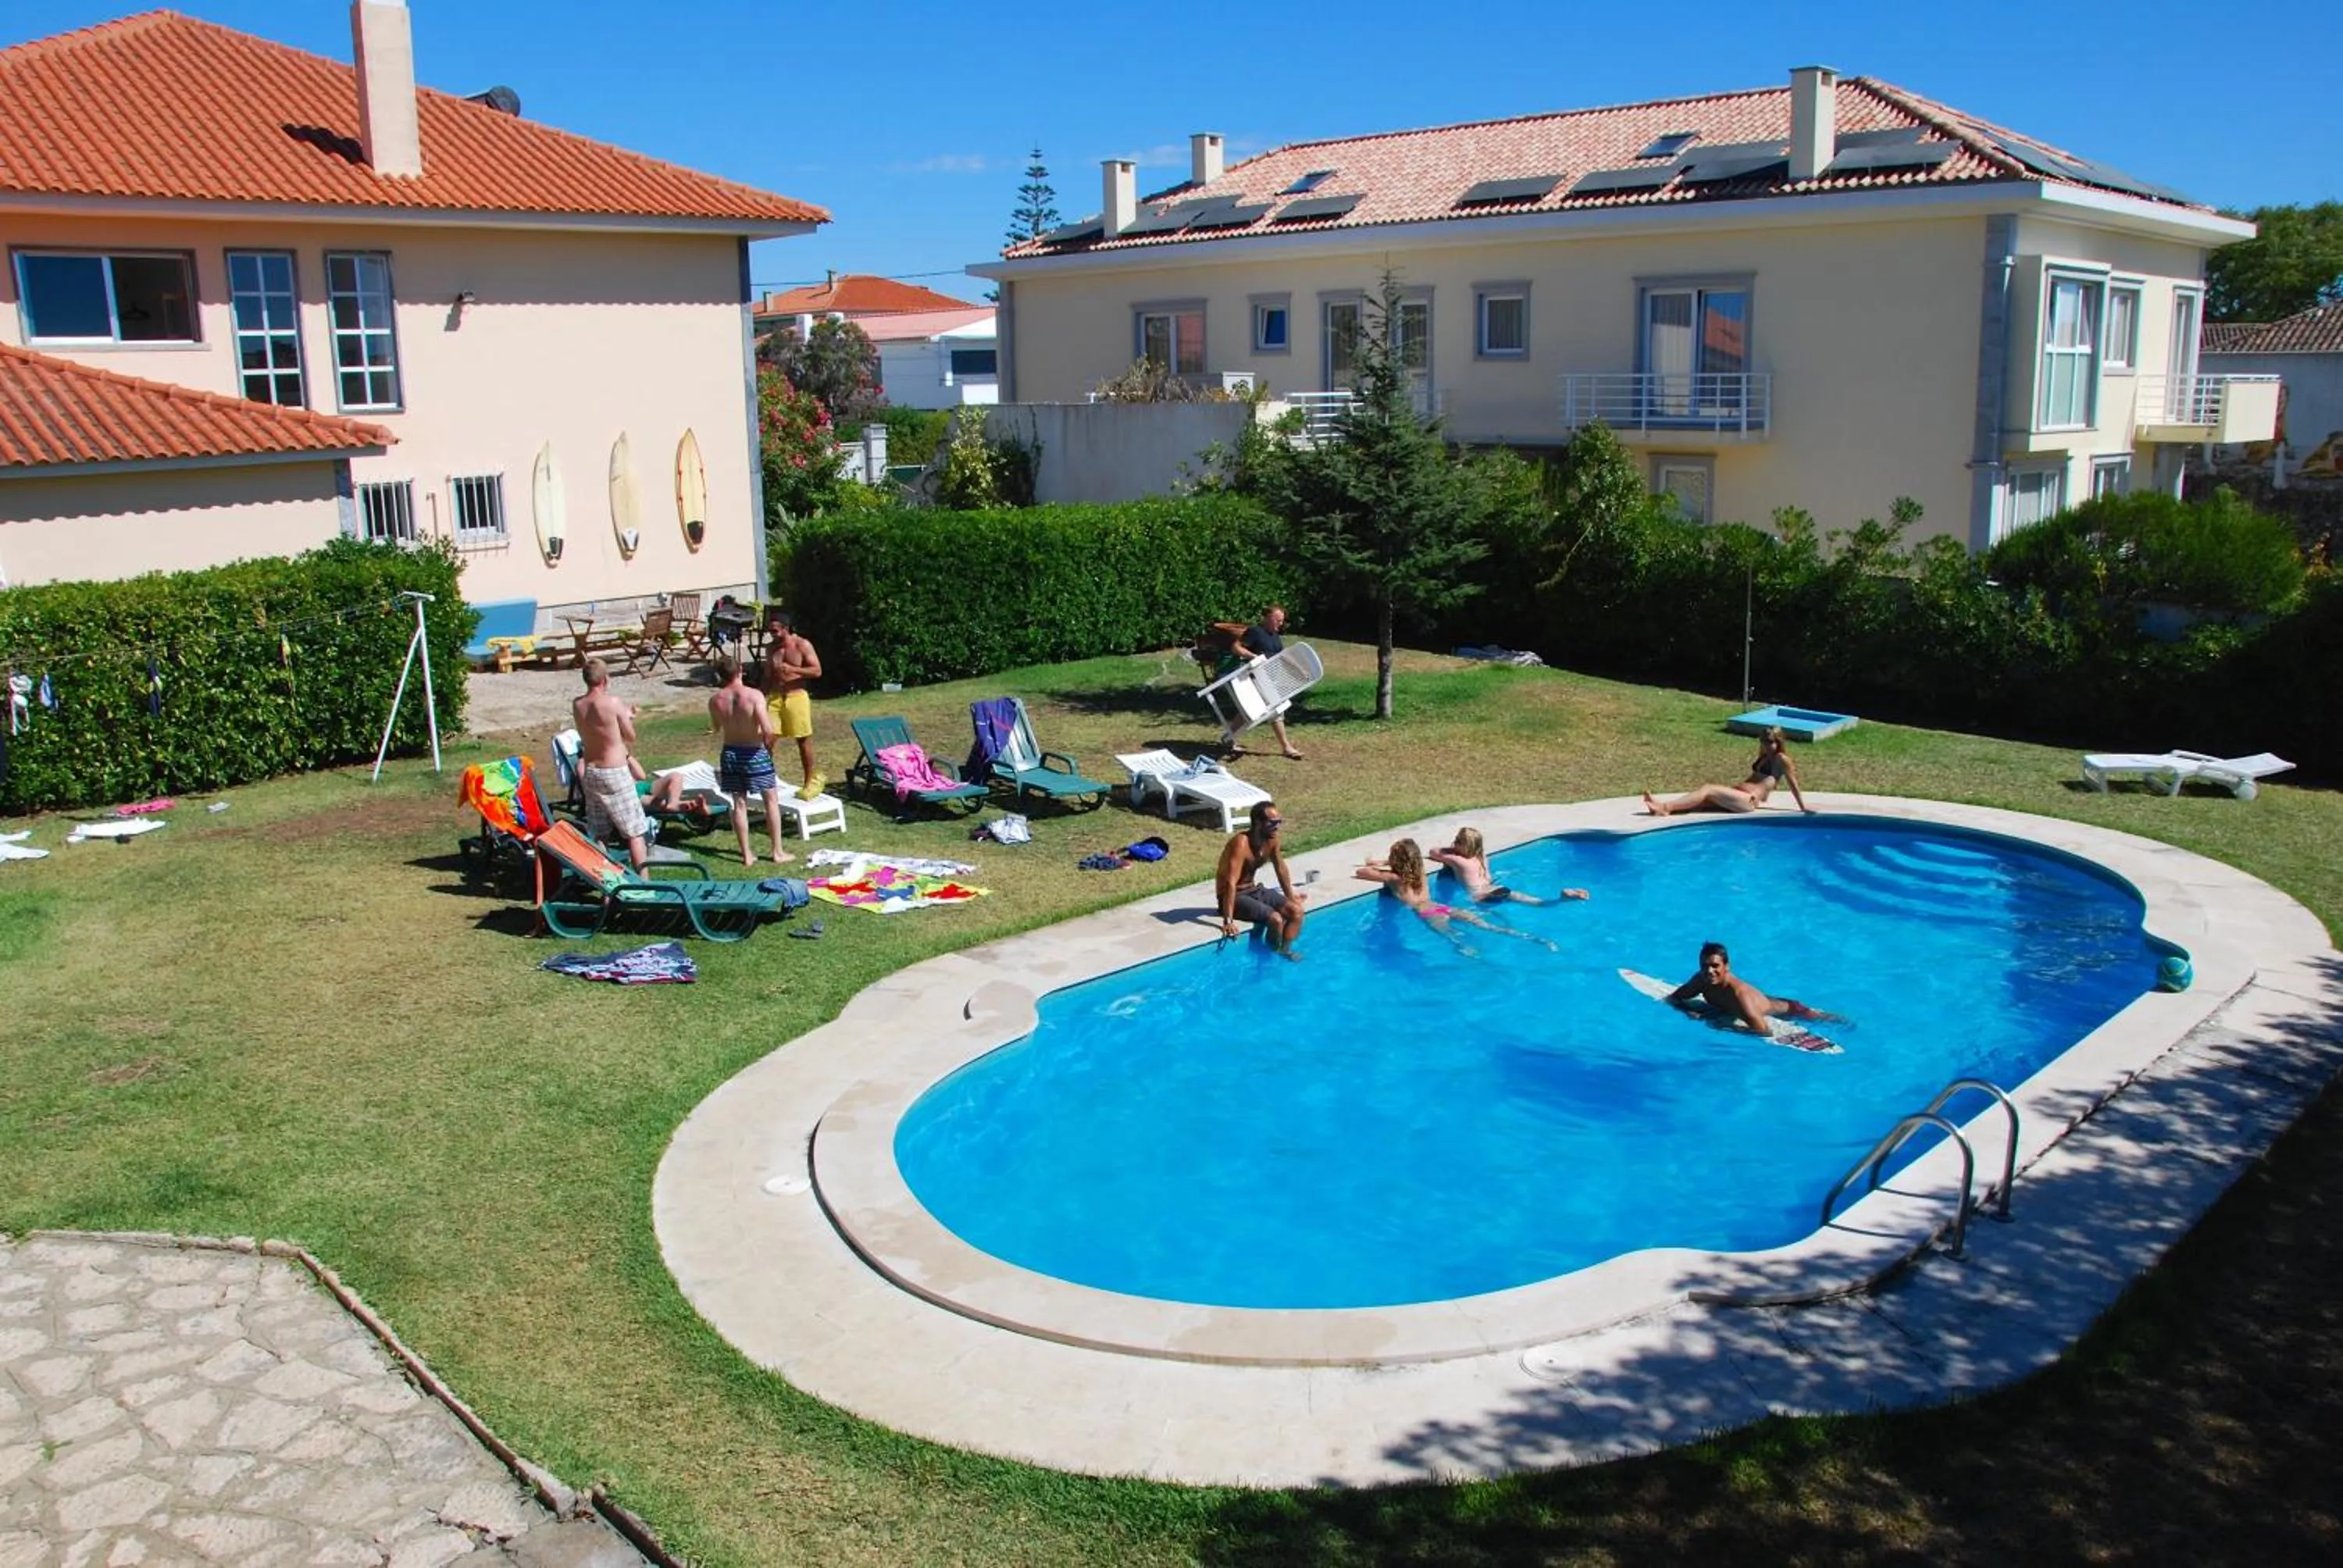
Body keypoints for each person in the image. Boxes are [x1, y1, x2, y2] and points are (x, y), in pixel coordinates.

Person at [1357, 838, 1557, 955]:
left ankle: (1472, 954)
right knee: (1489, 926)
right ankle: (1534, 939)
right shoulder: (1420, 872)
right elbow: (1409, 863)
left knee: (1454, 937)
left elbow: (1362, 873)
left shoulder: (1394, 878)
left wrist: (1378, 864)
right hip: (1441, 906)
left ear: (1395, 861)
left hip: (1426, 912)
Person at [708, 651, 791, 866]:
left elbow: (716, 727)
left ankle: (746, 855)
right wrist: (768, 746)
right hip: (754, 751)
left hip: (730, 752)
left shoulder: (715, 700)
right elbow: (767, 729)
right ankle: (777, 851)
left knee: (739, 804)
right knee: (770, 800)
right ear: (740, 671)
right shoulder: (754, 696)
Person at [571, 658, 650, 872]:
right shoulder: (612, 703)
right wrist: (628, 717)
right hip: (614, 772)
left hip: (591, 772)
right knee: (634, 831)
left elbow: (599, 730)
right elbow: (629, 737)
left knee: (600, 833)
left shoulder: (578, 704)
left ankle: (607, 885)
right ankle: (645, 885)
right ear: (606, 679)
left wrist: (624, 717)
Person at [1665, 941, 1836, 1039]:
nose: (1709, 971)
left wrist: (1725, 1027)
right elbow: (1674, 998)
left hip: (1791, 1010)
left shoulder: (1739, 996)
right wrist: (1688, 1010)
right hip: (1761, 1002)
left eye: (1715, 966)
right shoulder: (1700, 980)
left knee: (1829, 1020)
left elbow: (1764, 1031)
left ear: (1727, 967)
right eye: (1704, 966)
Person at [1642, 726, 1813, 816]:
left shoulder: (1781, 760)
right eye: (1763, 741)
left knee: (1708, 788)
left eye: (1769, 741)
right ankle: (1659, 806)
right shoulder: (1764, 755)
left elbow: (1793, 784)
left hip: (1748, 801)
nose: (1766, 744)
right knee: (1702, 801)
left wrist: (1803, 807)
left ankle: (1665, 807)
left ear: (1778, 741)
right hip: (1738, 794)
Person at [1214, 803, 1307, 957]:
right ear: (1258, 823)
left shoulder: (1272, 839)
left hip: (1253, 889)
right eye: (1272, 823)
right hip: (1233, 896)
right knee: (1275, 919)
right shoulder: (1241, 843)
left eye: (1279, 822)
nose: (1277, 827)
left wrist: (1290, 897)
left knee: (1296, 912)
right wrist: (1228, 920)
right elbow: (1230, 882)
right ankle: (1269, 955)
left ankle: (1284, 950)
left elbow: (1280, 868)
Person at [1429, 826, 1589, 907]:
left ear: (1466, 846)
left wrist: (1452, 850)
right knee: (1537, 903)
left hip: (1481, 896)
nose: (1454, 843)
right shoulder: (1482, 857)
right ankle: (1561, 899)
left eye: (1458, 841)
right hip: (1498, 888)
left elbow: (1434, 852)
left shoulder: (1459, 861)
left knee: (1491, 925)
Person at [762, 608, 826, 800]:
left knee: (803, 740)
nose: (772, 634)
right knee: (767, 740)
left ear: (786, 628)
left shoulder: (802, 645)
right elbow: (767, 676)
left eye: (775, 631)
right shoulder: (770, 648)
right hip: (775, 697)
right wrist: (759, 696)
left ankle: (808, 781)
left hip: (796, 696)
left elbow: (816, 671)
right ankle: (766, 781)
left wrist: (793, 669)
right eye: (770, 631)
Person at [1232, 604, 1305, 760]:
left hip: (1270, 680)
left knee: (1248, 712)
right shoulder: (1255, 632)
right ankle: (1287, 747)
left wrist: (1299, 669)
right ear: (1268, 618)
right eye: (1278, 620)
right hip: (1255, 678)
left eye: (1282, 621)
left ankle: (1228, 737)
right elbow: (1236, 648)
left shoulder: (1275, 637)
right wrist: (1253, 657)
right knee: (1276, 709)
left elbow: (1283, 656)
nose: (1280, 623)